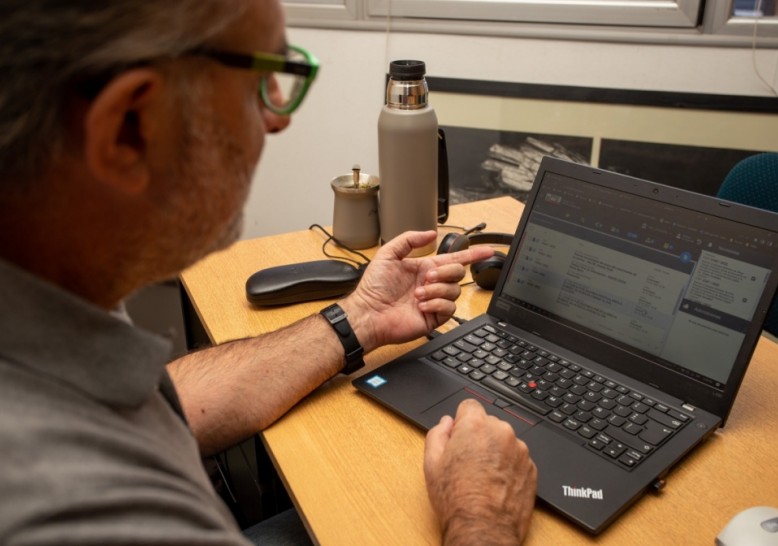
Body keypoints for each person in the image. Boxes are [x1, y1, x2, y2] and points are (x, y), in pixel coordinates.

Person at [0, 1, 538, 545]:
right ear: (129, 127)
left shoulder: (38, 306)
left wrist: (361, 318)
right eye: (263, 80)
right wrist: (480, 516)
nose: (278, 116)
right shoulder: (69, 510)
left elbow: (160, 402)